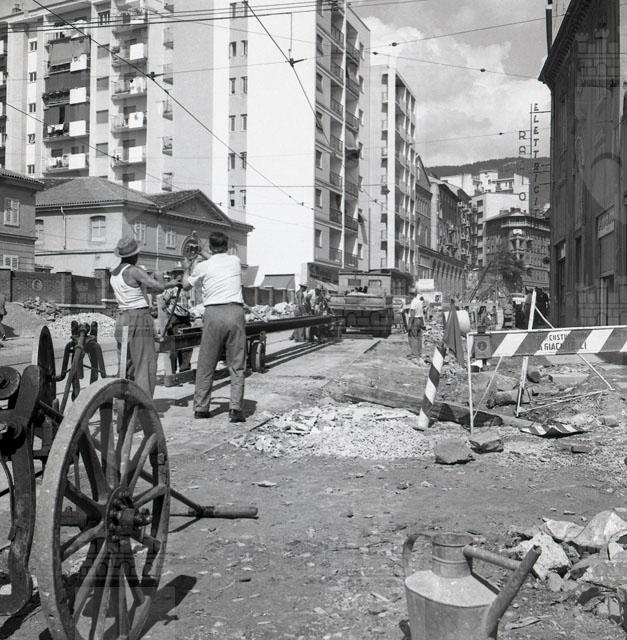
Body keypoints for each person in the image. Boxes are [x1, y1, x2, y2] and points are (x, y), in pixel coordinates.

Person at [182, 231, 246, 423]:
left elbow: (185, 286)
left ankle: (201, 408)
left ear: (210, 247)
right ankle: (235, 409)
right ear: (227, 246)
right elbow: (217, 259)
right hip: (235, 312)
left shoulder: (203, 266)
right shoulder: (235, 261)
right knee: (236, 363)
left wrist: (186, 267)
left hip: (213, 314)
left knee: (206, 362)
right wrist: (202, 251)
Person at [110, 237, 179, 398]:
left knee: (126, 363)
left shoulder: (114, 273)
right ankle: (143, 404)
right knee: (145, 363)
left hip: (122, 318)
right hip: (139, 318)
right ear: (134, 255)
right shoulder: (134, 270)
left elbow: (138, 289)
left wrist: (169, 283)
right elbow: (159, 287)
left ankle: (124, 399)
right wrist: (164, 279)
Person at [161, 265, 193, 373]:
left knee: (187, 345)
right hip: (174, 318)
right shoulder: (170, 288)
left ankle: (185, 369)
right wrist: (167, 315)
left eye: (181, 273)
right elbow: (163, 303)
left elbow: (188, 303)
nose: (179, 275)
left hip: (185, 318)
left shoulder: (186, 288)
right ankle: (172, 371)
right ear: (174, 275)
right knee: (174, 346)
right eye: (177, 273)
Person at [407, 289, 425, 363]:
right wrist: (422, 324)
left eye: (409, 295)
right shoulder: (419, 302)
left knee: (413, 337)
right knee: (419, 338)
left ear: (411, 295)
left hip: (414, 321)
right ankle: (419, 354)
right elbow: (422, 314)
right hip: (419, 320)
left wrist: (409, 324)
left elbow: (412, 314)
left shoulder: (413, 302)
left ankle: (414, 355)